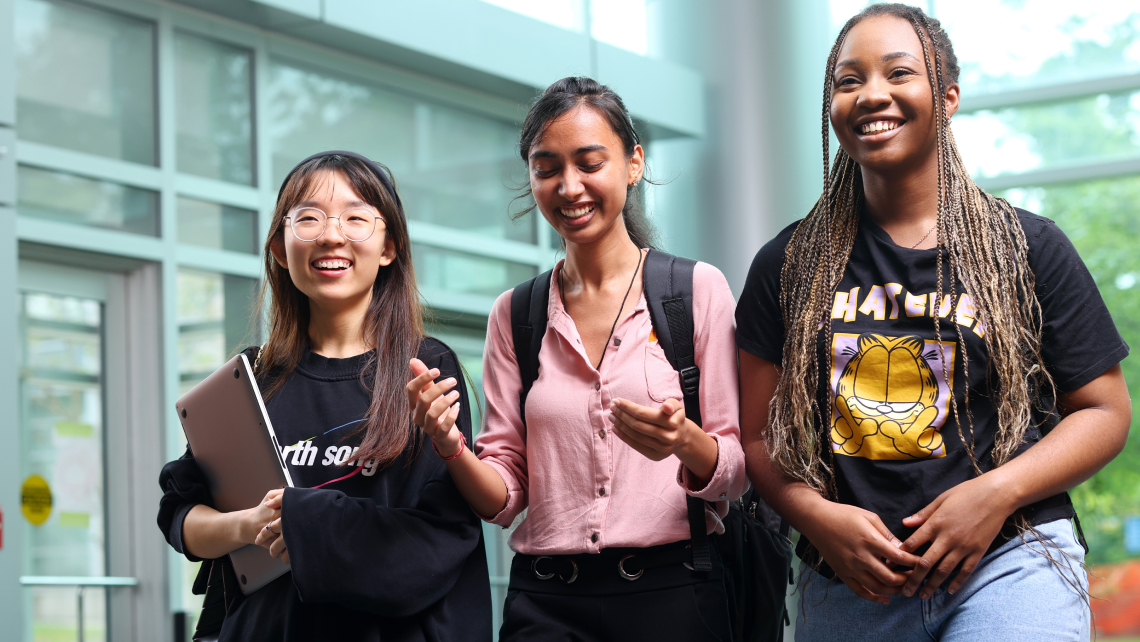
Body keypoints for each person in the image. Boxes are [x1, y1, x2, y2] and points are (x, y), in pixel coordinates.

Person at [737, 4, 1132, 640]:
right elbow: (756, 438)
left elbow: (1105, 411)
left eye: (899, 73)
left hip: (1011, 558)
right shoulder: (787, 265)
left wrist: (995, 494)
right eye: (848, 80)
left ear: (946, 98)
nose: (872, 95)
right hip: (849, 581)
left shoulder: (1026, 247)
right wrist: (815, 517)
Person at [407, 77, 748, 641]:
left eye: (590, 163)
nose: (570, 187)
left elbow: (735, 471)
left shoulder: (695, 292)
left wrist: (683, 442)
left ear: (633, 163)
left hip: (673, 594)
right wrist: (450, 446)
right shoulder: (514, 314)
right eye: (547, 169)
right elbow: (504, 496)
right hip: (547, 603)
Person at [157, 151, 492, 642]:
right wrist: (253, 526)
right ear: (279, 246)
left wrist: (303, 521)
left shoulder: (423, 368)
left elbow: (436, 543)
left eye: (356, 218)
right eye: (309, 218)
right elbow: (182, 516)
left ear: (389, 248)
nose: (332, 235)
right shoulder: (251, 378)